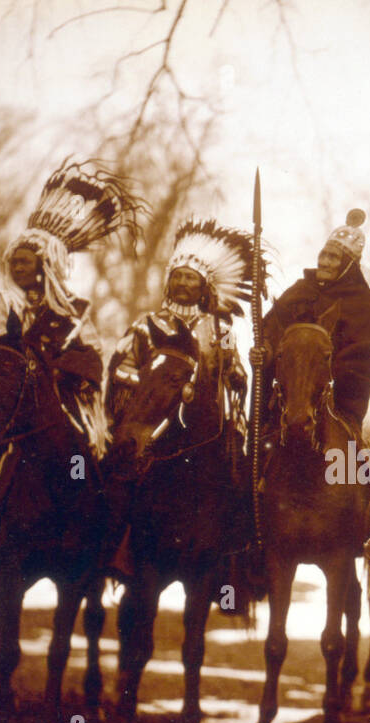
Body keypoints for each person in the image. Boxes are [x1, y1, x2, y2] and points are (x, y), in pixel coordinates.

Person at [0, 161, 141, 586]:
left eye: (29, 261)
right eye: (16, 260)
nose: (20, 267)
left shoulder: (76, 314)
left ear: (48, 265)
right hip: (2, 407)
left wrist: (58, 372)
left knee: (88, 460)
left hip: (60, 407)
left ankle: (100, 546)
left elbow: (91, 359)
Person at [104, 218, 262, 579]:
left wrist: (237, 370)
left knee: (238, 477)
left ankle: (234, 565)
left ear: (204, 286)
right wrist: (143, 389)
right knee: (117, 479)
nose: (183, 282)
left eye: (191, 277)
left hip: (205, 428)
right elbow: (121, 369)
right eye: (178, 275)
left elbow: (236, 377)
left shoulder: (219, 328)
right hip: (152, 424)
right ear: (169, 282)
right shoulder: (147, 325)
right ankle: (114, 552)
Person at [259, 209, 370, 428]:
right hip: (289, 396)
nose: (325, 262)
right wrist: (265, 349)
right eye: (323, 255)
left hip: (341, 404)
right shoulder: (299, 291)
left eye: (333, 258)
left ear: (349, 265)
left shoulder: (367, 307)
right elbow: (272, 329)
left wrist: (329, 371)